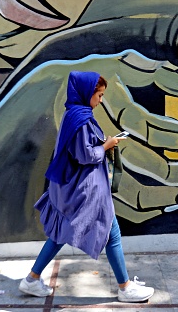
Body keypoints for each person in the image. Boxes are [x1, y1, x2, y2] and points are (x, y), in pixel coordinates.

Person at [19, 71, 155, 303]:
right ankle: (125, 288)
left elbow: (77, 149)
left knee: (59, 234)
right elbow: (85, 155)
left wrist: (101, 144)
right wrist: (107, 145)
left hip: (69, 188)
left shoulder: (73, 113)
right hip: (86, 190)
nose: (101, 101)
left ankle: (31, 280)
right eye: (99, 95)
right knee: (112, 235)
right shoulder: (81, 119)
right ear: (86, 92)